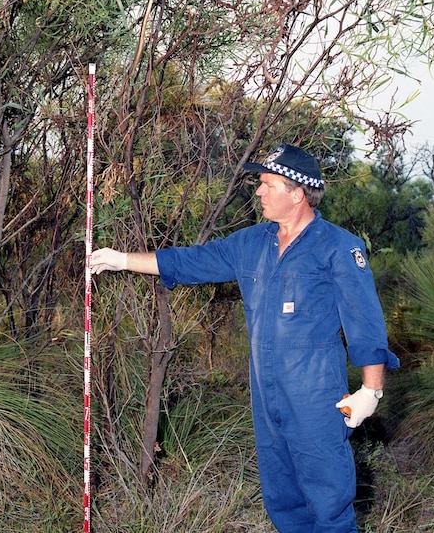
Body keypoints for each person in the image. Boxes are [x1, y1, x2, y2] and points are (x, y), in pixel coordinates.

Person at [90, 143, 400, 533]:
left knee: (328, 502)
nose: (258, 192)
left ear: (298, 193)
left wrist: (370, 392)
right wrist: (122, 260)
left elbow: (365, 323)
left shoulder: (339, 248)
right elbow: (190, 262)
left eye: (268, 184)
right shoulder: (252, 243)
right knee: (282, 498)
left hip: (316, 398)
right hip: (265, 395)